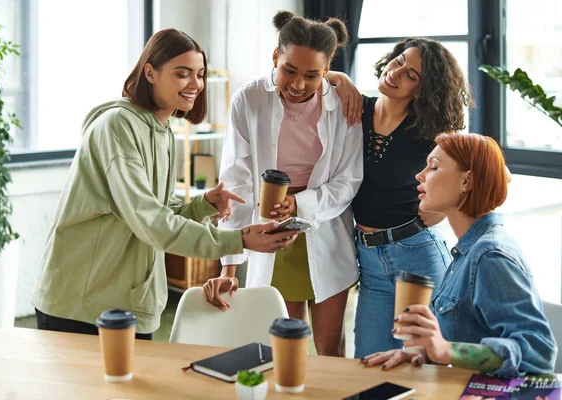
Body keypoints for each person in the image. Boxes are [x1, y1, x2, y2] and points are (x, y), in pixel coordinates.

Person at [31, 29, 298, 339]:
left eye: (199, 74)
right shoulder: (117, 126)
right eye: (182, 74)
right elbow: (150, 221)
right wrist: (238, 240)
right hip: (80, 304)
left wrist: (203, 205)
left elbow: (162, 210)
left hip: (125, 301)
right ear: (151, 73)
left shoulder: (162, 129)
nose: (195, 84)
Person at [202, 11, 364, 356]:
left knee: (330, 345)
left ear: (327, 68)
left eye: (312, 75)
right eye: (289, 70)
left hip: (326, 229)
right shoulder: (249, 100)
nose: (298, 84)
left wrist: (300, 204)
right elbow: (236, 182)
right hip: (269, 230)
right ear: (275, 57)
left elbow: (348, 181)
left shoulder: (344, 104)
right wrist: (230, 265)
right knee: (282, 345)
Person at [362, 132, 557, 376]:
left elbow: (538, 352)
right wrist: (424, 351)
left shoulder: (490, 255)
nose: (420, 175)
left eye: (433, 167)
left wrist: (446, 351)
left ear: (467, 182)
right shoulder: (467, 250)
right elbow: (468, 332)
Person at [327, 38, 473, 358]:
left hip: (417, 256)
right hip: (368, 260)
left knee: (421, 367)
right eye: (399, 61)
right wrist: (341, 78)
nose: (397, 72)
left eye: (412, 75)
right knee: (369, 363)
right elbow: (308, 77)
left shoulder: (428, 131)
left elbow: (485, 175)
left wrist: (448, 208)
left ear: (422, 90)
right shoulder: (354, 108)